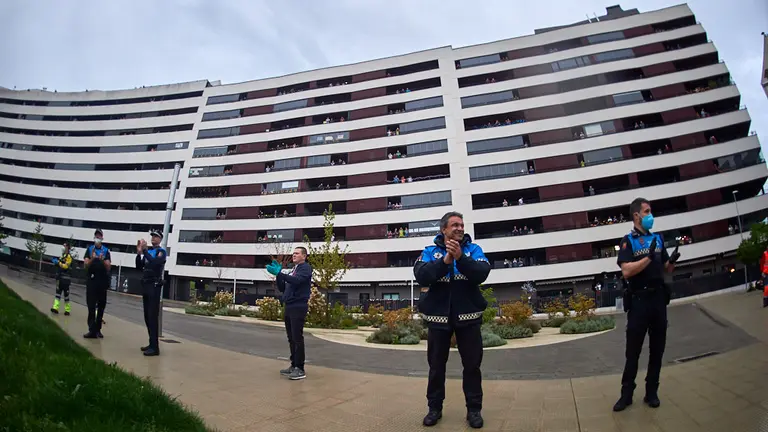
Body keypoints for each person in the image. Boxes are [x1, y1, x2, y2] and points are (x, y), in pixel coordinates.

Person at [414, 211, 491, 429]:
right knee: (436, 366)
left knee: (472, 366)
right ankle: (434, 408)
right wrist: (446, 261)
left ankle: (474, 410)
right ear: (444, 229)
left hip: (470, 318)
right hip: (438, 320)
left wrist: (460, 258)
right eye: (454, 225)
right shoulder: (430, 252)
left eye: (462, 225)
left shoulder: (473, 250)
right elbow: (421, 275)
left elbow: (482, 272)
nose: (459, 228)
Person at [613, 198, 681, 412]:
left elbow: (666, 270)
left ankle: (652, 392)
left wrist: (671, 263)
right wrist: (648, 258)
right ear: (637, 216)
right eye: (647, 211)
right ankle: (626, 395)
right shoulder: (628, 241)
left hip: (658, 300)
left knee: (657, 350)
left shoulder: (658, 239)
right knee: (632, 352)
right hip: (639, 302)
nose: (651, 215)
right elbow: (626, 271)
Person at [267, 247, 312, 380]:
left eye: (297, 253)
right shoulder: (294, 270)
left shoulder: (305, 268)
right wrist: (278, 275)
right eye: (293, 253)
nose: (294, 255)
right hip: (289, 305)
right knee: (291, 338)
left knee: (297, 338)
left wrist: (281, 274)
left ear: (304, 256)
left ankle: (300, 368)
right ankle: (293, 365)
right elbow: (283, 288)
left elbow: (297, 281)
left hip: (298, 306)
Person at [135, 230, 167, 356]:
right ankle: (151, 343)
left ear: (160, 239)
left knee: (153, 316)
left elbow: (155, 263)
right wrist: (139, 254)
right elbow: (139, 266)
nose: (153, 238)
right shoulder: (149, 252)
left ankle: (155, 347)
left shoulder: (161, 252)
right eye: (152, 236)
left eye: (156, 236)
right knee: (147, 316)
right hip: (146, 285)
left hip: (154, 286)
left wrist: (145, 251)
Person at [83, 229, 111, 339]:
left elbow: (108, 266)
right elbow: (85, 265)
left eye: (99, 237)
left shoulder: (106, 251)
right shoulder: (90, 250)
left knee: (101, 306)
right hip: (92, 281)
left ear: (102, 238)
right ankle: (91, 329)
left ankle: (98, 329)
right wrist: (93, 259)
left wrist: (102, 260)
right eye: (96, 236)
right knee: (91, 306)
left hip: (102, 282)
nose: (97, 239)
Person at [50, 242, 74, 316]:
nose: (63, 247)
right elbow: (59, 263)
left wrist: (58, 263)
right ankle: (55, 308)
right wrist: (56, 262)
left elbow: (66, 266)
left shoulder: (69, 257)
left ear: (67, 248)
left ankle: (67, 310)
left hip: (66, 279)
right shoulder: (62, 256)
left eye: (64, 246)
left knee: (66, 295)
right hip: (60, 278)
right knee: (58, 293)